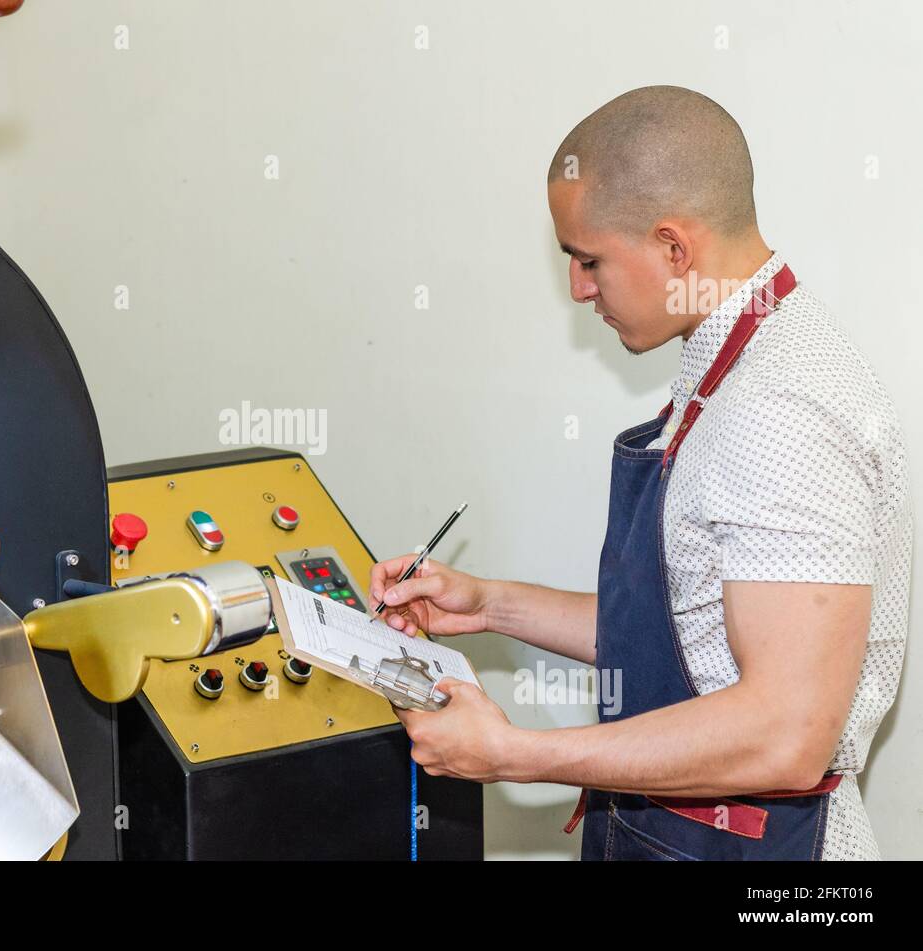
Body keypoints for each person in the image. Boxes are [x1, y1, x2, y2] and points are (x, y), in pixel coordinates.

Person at [372, 85, 911, 860]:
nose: (579, 289)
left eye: (589, 260)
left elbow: (784, 734)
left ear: (673, 248)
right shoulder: (728, 363)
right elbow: (689, 636)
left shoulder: (782, 406)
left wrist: (515, 754)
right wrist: (489, 603)